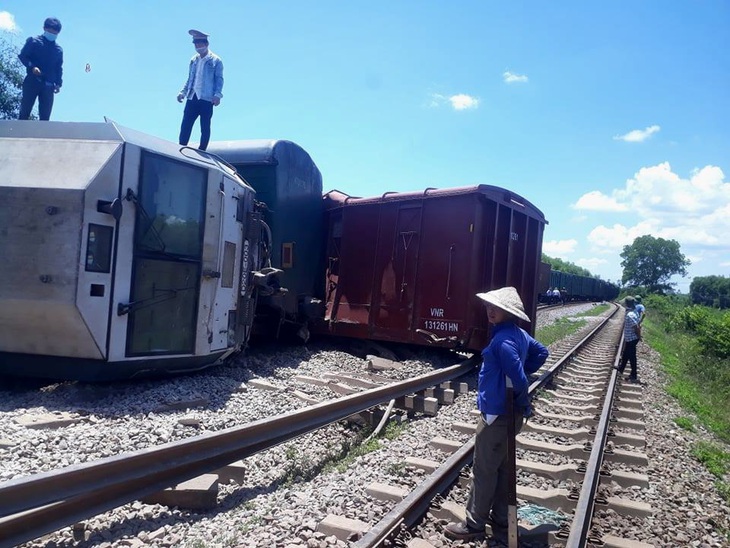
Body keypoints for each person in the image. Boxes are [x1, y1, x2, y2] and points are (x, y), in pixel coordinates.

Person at [444, 287, 549, 541]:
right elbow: (542, 352)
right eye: (489, 306)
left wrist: (521, 400)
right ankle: (501, 519)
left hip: (497, 415)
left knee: (484, 470)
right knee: (503, 468)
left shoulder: (502, 342)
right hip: (508, 415)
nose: (491, 311)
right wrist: (516, 388)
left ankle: (474, 524)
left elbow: (521, 380)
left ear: (508, 312)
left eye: (497, 308)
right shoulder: (519, 334)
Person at [177, 29, 224, 151]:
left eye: (200, 43)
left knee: (205, 125)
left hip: (206, 98)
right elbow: (190, 78)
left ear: (206, 44)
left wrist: (217, 95)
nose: (198, 46)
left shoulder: (215, 60)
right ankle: (181, 147)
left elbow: (219, 79)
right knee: (186, 124)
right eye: (196, 43)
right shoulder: (194, 60)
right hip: (192, 96)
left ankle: (202, 149)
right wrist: (183, 92)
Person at [18, 17, 63, 121]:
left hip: (49, 85)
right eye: (50, 31)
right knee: (25, 111)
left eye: (55, 33)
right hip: (32, 81)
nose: (52, 35)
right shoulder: (34, 41)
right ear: (44, 28)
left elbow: (58, 67)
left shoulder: (58, 50)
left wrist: (58, 83)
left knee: (45, 116)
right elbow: (23, 56)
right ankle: (19, 134)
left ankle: (43, 136)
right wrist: (32, 67)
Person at [616, 296, 641, 383]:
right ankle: (621, 368)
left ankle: (634, 374)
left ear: (627, 304)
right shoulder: (634, 311)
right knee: (626, 353)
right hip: (630, 338)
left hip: (632, 338)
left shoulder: (630, 315)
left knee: (632, 356)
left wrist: (639, 336)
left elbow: (636, 327)